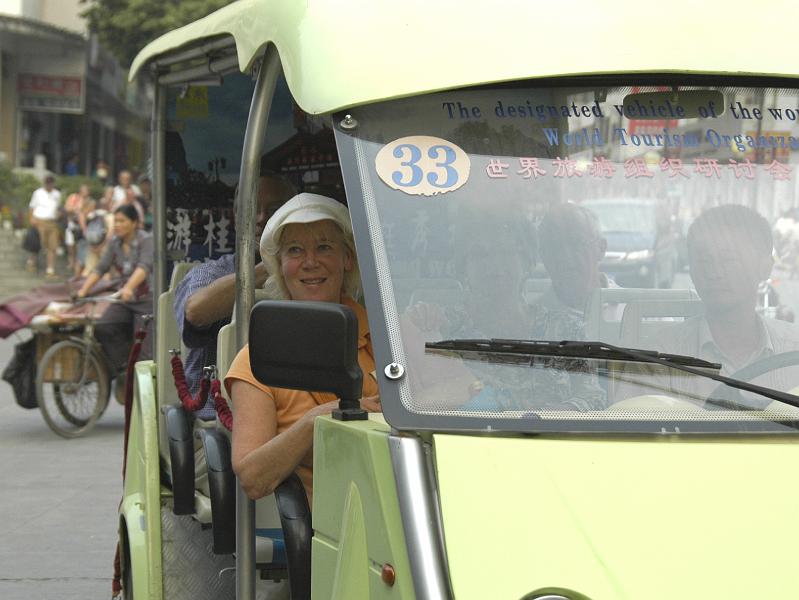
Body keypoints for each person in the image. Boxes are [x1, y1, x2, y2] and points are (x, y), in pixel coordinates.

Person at [224, 194, 380, 504]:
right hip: (332, 531)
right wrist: (316, 419)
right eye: (295, 250)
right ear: (280, 267)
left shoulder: (387, 337)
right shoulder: (256, 359)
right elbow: (252, 478)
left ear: (347, 259)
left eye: (324, 247)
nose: (310, 262)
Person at [623, 204, 799, 408]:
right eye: (703, 260)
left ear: (765, 267)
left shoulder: (794, 351)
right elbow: (630, 430)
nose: (714, 272)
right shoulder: (657, 358)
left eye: (728, 259)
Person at [173, 174, 296, 419]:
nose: (262, 218)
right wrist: (271, 265)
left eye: (274, 209)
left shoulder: (314, 274)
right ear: (237, 217)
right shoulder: (212, 272)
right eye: (253, 209)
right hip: (216, 422)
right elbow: (196, 311)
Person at [76, 204, 154, 375]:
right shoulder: (114, 243)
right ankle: (124, 367)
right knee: (103, 326)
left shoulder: (145, 240)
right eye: (115, 221)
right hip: (124, 300)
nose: (117, 225)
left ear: (134, 223)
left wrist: (128, 288)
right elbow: (100, 268)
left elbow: (144, 267)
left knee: (145, 351)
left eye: (122, 221)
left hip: (146, 301)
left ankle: (144, 382)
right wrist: (83, 290)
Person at [28, 175, 62, 278]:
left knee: (53, 246)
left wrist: (58, 215)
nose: (49, 184)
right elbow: (32, 207)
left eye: (51, 182)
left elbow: (58, 207)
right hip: (40, 221)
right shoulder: (38, 193)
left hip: (52, 222)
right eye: (47, 182)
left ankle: (50, 269)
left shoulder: (57, 194)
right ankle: (31, 262)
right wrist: (31, 218)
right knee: (38, 243)